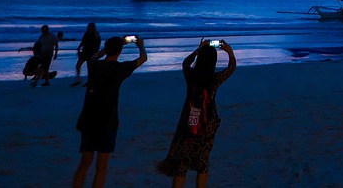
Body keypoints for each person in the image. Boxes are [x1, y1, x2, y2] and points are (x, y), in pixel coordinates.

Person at [156, 40, 237, 187]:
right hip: (208, 122)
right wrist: (229, 51)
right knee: (203, 161)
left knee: (182, 163)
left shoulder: (191, 75)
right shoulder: (214, 79)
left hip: (189, 120)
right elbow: (231, 68)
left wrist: (197, 51)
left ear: (200, 58)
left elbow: (186, 63)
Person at [73, 35, 148, 188]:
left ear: (106, 49)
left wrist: (107, 48)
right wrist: (140, 45)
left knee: (85, 163)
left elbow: (95, 56)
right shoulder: (121, 68)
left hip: (88, 119)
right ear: (119, 51)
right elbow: (143, 58)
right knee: (101, 166)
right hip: (107, 121)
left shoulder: (93, 65)